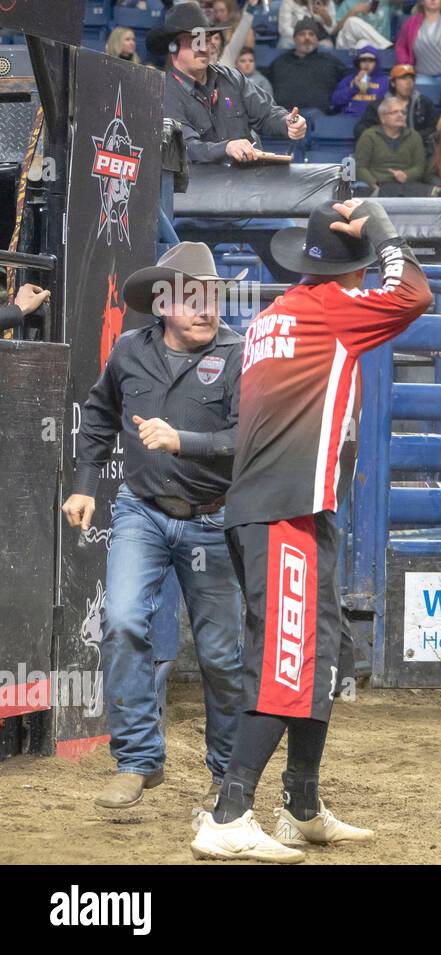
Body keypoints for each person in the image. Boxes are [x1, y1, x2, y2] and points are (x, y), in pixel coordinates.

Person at [191, 198, 432, 862]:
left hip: (276, 506)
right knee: (286, 662)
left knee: (320, 656)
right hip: (286, 508)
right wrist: (382, 224)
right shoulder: (333, 309)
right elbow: (414, 293)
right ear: (352, 269)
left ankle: (301, 803)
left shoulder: (272, 316)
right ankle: (228, 812)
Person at [61, 243, 245, 810]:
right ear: (164, 305)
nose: (204, 307)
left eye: (211, 295)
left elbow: (249, 440)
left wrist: (182, 440)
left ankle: (228, 773)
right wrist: (84, 484)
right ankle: (138, 761)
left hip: (212, 517)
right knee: (120, 621)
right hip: (142, 511)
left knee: (221, 654)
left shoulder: (240, 355)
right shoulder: (128, 352)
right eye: (190, 296)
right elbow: (96, 417)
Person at [153, 2, 307, 165]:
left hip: (249, 180)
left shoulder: (232, 78)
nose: (204, 48)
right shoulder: (164, 93)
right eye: (195, 41)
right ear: (173, 47)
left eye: (206, 40)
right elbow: (187, 148)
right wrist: (226, 148)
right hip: (200, 186)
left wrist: (287, 122)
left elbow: (266, 113)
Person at [267, 19, 350, 114]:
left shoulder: (330, 61)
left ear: (317, 39)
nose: (307, 38)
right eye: (302, 34)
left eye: (311, 34)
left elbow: (349, 81)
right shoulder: (279, 62)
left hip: (322, 121)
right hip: (284, 120)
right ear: (294, 39)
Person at [355, 95, 429, 195]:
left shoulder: (414, 136)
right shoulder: (369, 135)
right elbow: (360, 167)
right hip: (376, 184)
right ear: (383, 118)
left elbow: (419, 167)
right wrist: (373, 182)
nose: (400, 115)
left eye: (403, 112)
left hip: (405, 186)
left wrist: (407, 175)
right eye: (394, 112)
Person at [354, 63, 438, 150]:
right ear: (393, 83)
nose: (408, 82)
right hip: (385, 152)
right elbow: (360, 129)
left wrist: (411, 139)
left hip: (417, 151)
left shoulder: (424, 103)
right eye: (403, 78)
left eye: (412, 78)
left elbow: (433, 128)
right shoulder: (378, 105)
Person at [331, 46, 388, 117]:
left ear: (376, 62)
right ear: (358, 62)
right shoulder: (348, 79)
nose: (367, 64)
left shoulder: (385, 81)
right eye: (363, 60)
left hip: (374, 119)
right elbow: (335, 100)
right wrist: (354, 89)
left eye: (371, 60)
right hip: (349, 117)